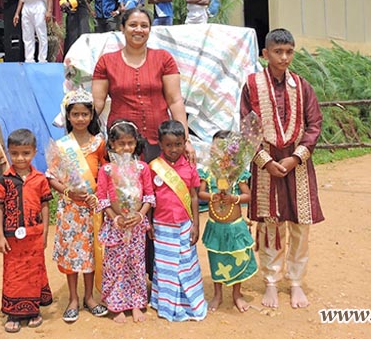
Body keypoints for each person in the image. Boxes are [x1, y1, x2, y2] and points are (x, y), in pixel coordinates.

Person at [239, 28, 325, 309]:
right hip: (267, 164)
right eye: (278, 52)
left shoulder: (302, 86)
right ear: (265, 54)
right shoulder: (252, 86)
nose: (284, 57)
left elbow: (314, 125)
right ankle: (271, 282)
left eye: (289, 52)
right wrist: (265, 160)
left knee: (301, 225)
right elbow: (246, 127)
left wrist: (296, 158)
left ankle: (296, 281)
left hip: (298, 165)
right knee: (270, 225)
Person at [91, 7, 195, 164]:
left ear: (150, 29)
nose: (139, 30)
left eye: (144, 26)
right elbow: (97, 104)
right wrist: (81, 134)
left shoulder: (164, 59)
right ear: (122, 28)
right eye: (133, 25)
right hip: (122, 143)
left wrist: (185, 140)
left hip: (161, 141)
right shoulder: (106, 62)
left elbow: (175, 101)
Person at [47, 88, 109, 323]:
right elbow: (51, 177)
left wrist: (98, 195)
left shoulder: (99, 143)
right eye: (75, 114)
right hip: (70, 210)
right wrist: (69, 192)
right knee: (71, 255)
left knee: (91, 253)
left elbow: (106, 173)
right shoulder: (61, 145)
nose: (80, 118)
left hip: (93, 208)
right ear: (68, 116)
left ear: (92, 115)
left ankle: (89, 297)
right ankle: (73, 299)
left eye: (85, 114)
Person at [0, 129, 53, 333]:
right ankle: (14, 313)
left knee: (34, 271)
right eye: (15, 153)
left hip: (34, 235)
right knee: (13, 273)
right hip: (12, 238)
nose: (20, 158)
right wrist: (0, 236)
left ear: (34, 152)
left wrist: (45, 232)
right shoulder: (3, 181)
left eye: (25, 153)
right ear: (8, 152)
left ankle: (33, 310)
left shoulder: (40, 179)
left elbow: (45, 206)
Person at [95, 119, 155, 323]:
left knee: (136, 264)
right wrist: (116, 218)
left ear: (136, 143)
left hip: (136, 227)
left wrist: (140, 215)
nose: (126, 147)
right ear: (112, 144)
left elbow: (149, 196)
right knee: (115, 265)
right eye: (121, 143)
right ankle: (116, 305)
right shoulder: (106, 170)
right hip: (116, 227)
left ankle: (137, 303)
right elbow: (102, 198)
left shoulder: (142, 168)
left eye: (130, 143)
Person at [148, 120, 207, 321]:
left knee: (185, 263)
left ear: (184, 143)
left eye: (178, 144)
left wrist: (196, 224)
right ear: (160, 144)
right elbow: (150, 198)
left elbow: (194, 196)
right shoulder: (154, 167)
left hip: (184, 224)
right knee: (165, 266)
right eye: (168, 145)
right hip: (162, 225)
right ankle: (165, 304)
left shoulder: (189, 167)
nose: (174, 149)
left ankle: (189, 304)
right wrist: (149, 223)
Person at [198, 130, 258, 313]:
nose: (219, 152)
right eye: (216, 147)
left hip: (234, 227)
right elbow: (200, 193)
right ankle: (218, 294)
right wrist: (211, 196)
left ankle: (236, 294)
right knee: (216, 259)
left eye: (224, 148)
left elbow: (248, 195)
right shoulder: (208, 172)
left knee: (236, 258)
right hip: (216, 228)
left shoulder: (237, 173)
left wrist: (234, 198)